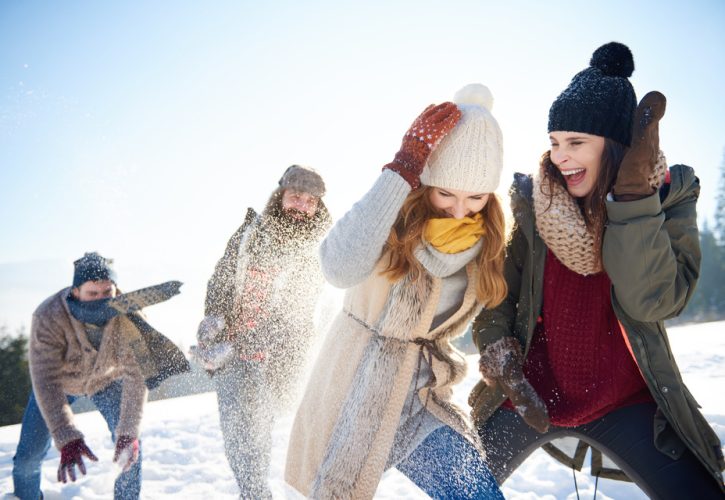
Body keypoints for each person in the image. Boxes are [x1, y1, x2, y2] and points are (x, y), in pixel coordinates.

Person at [470, 42, 725, 498]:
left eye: (576, 143)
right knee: (458, 487)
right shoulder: (536, 207)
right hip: (528, 395)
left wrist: (632, 200)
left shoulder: (668, 198)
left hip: (625, 398)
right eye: (554, 142)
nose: (561, 157)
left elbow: (652, 299)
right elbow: (498, 297)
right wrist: (503, 361)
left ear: (616, 145)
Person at [285, 84, 508, 499]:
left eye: (475, 197)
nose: (460, 211)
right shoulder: (392, 217)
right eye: (445, 193)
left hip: (419, 401)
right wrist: (401, 171)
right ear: (425, 184)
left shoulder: (490, 242)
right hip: (354, 393)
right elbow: (337, 266)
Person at [192, 164, 332, 499]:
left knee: (257, 432)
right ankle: (253, 493)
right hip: (233, 354)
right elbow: (222, 278)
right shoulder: (251, 233)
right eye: (295, 196)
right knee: (239, 441)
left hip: (277, 360)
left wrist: (249, 343)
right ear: (280, 195)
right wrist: (215, 318)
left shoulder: (321, 249)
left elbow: (299, 314)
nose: (301, 206)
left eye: (310, 201)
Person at [12, 252, 188, 500]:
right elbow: (45, 379)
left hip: (105, 381)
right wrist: (66, 435)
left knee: (130, 449)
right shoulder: (48, 315)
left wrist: (128, 431)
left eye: (107, 293)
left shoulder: (130, 317)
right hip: (58, 385)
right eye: (92, 294)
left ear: (115, 290)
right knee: (28, 457)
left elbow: (136, 377)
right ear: (76, 292)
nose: (100, 300)